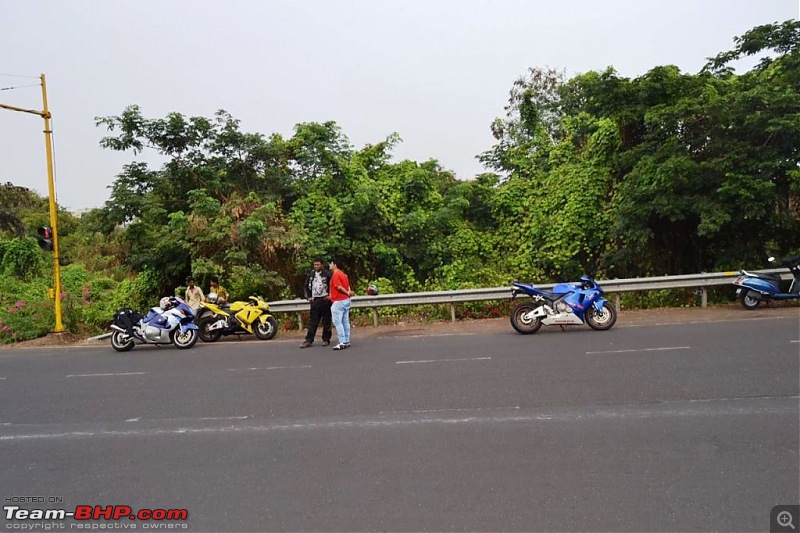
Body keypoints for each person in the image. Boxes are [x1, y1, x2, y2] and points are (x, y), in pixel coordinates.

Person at [300, 258, 333, 348]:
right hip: (315, 300)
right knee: (313, 322)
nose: (316, 266)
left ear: (321, 265)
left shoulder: (327, 274)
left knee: (326, 321)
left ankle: (326, 339)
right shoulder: (311, 275)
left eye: (318, 265)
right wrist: (308, 297)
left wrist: (330, 295)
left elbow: (333, 285)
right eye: (315, 265)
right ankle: (309, 340)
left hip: (325, 300)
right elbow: (306, 286)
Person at [328, 258, 354, 350]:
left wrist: (346, 293)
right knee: (345, 321)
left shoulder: (336, 275)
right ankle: (347, 340)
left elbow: (338, 287)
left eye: (331, 263)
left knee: (337, 322)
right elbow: (348, 287)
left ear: (335, 265)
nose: (329, 265)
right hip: (346, 300)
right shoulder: (344, 275)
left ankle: (342, 341)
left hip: (339, 301)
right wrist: (349, 293)